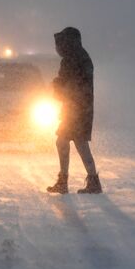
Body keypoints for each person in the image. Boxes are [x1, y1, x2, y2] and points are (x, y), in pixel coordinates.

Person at [47, 27, 102, 194]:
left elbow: (70, 83)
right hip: (80, 108)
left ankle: (66, 181)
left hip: (76, 109)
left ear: (67, 43)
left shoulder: (73, 58)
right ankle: (92, 181)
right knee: (79, 142)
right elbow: (75, 82)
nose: (58, 49)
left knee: (64, 141)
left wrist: (58, 86)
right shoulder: (81, 57)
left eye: (60, 44)